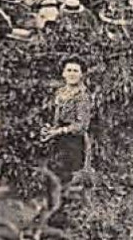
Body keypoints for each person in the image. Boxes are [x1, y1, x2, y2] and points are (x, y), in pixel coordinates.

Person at [40, 58, 93, 217]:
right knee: (52, 177)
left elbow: (81, 125)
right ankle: (53, 215)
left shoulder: (82, 96)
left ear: (82, 74)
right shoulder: (60, 93)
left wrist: (59, 131)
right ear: (63, 73)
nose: (72, 74)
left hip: (73, 143)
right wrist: (50, 130)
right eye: (69, 70)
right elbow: (57, 118)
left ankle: (68, 218)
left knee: (67, 179)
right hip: (58, 142)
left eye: (75, 71)